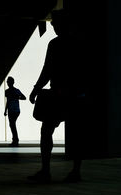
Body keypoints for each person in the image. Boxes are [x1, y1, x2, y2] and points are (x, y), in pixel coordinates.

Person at [28, 9, 89, 183]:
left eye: (55, 23)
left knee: (46, 131)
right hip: (76, 96)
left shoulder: (55, 45)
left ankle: (46, 171)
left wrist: (36, 89)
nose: (53, 26)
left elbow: (47, 70)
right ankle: (76, 171)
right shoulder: (79, 44)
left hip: (58, 95)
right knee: (76, 134)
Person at [4, 76, 26, 146]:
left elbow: (24, 97)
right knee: (12, 125)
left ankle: (15, 140)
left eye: (9, 82)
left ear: (12, 82)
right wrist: (5, 110)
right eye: (7, 82)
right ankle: (15, 140)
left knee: (12, 124)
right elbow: (7, 101)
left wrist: (17, 97)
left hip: (15, 110)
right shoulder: (7, 91)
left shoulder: (16, 90)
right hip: (12, 110)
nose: (8, 83)